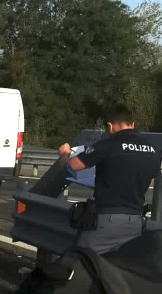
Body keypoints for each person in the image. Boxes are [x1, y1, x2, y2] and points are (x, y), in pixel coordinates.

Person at [59, 104, 162, 254]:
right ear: (132, 124)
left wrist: (64, 155)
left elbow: (73, 166)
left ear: (110, 126)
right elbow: (151, 179)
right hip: (135, 222)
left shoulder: (108, 145)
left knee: (79, 259)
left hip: (106, 220)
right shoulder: (152, 150)